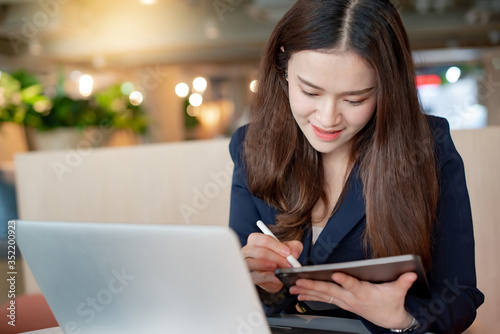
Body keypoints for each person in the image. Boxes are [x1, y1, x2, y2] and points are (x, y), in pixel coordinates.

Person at [228, 0, 484, 333]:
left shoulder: (429, 148)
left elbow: (460, 297)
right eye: (310, 91)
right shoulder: (252, 147)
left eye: (355, 99)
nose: (327, 118)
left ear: (386, 89)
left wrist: (404, 318)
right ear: (283, 67)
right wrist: (261, 285)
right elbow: (244, 299)